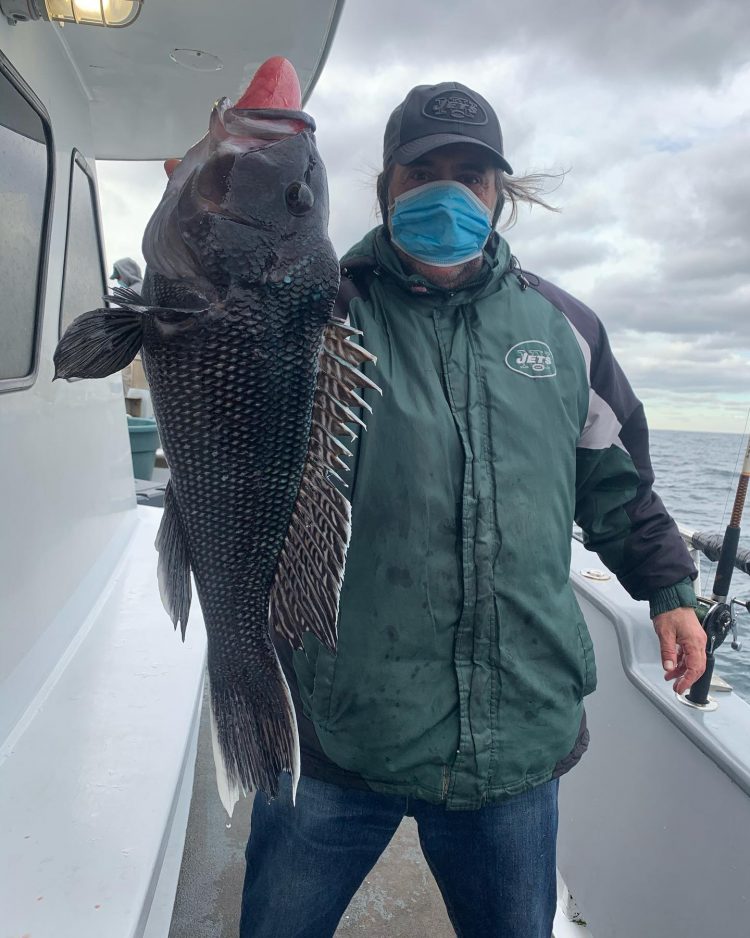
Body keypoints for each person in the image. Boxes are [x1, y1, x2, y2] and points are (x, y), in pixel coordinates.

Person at [240, 82, 707, 938]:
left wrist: (670, 589)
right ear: (386, 185)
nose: (447, 192)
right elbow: (227, 363)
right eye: (423, 172)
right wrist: (212, 230)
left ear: (502, 194)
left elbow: (615, 482)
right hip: (340, 726)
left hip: (513, 738)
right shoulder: (317, 309)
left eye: (472, 175)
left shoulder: (566, 327)